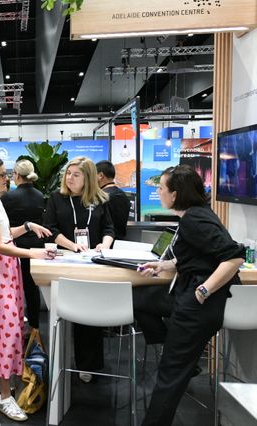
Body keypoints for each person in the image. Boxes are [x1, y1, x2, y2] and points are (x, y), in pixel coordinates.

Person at [136, 165, 244, 426]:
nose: (159, 192)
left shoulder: (194, 220)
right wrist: (164, 265)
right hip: (189, 295)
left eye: (161, 188)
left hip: (199, 303)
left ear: (175, 194)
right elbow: (198, 256)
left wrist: (204, 291)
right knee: (139, 300)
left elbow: (234, 257)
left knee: (170, 375)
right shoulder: (195, 215)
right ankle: (181, 353)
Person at [0, 156, 54, 422]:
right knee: (4, 330)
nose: (6, 179)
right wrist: (32, 253)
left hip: (2, 269)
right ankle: (5, 397)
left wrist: (26, 227)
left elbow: (4, 235)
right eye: (2, 175)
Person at [43, 156, 115, 383]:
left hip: (92, 263)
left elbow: (109, 228)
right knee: (65, 312)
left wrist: (105, 244)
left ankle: (88, 364)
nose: (70, 178)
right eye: (68, 173)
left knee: (89, 314)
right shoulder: (57, 198)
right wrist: (72, 245)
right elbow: (50, 229)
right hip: (65, 260)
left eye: (76, 175)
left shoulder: (100, 199)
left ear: (88, 178)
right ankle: (61, 362)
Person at [0, 159, 47, 330]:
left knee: (12, 288)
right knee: (32, 288)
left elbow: (2, 225)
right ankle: (35, 328)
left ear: (17, 175)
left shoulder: (8, 197)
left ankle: (13, 328)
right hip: (36, 245)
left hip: (15, 246)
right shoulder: (40, 195)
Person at [96, 160, 130, 240]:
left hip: (104, 243)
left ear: (100, 175)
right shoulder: (123, 195)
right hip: (120, 242)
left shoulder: (102, 198)